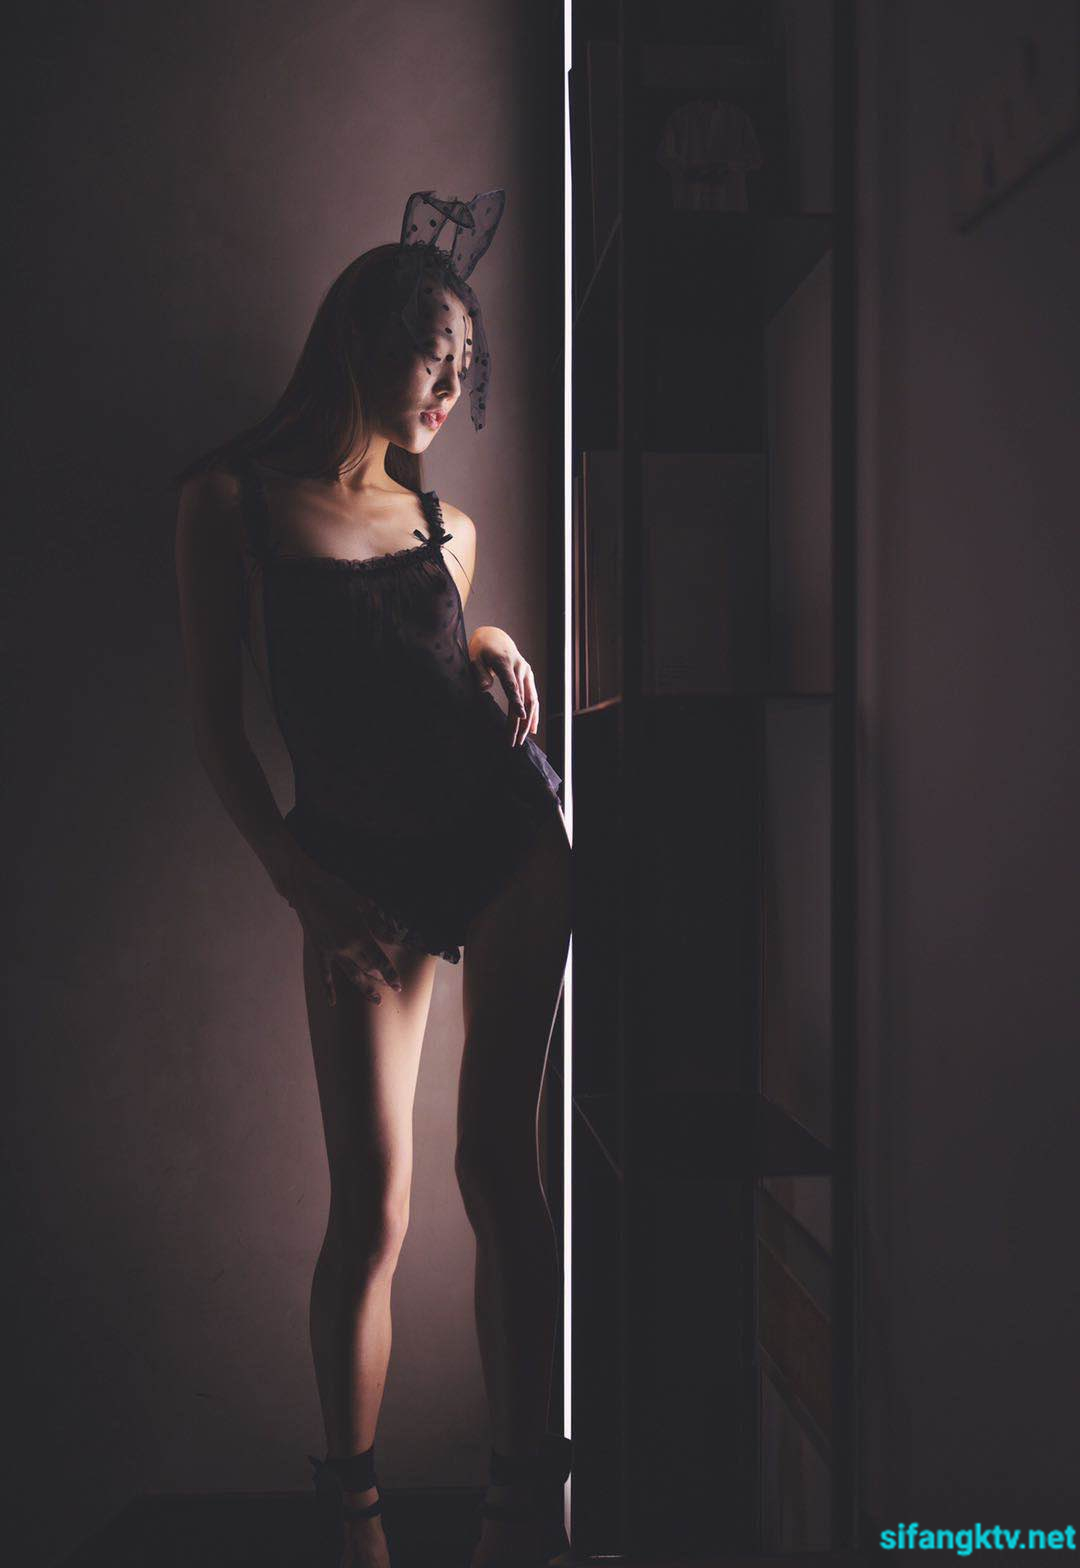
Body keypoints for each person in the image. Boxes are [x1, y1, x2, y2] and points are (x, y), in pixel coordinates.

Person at [173, 191, 572, 1568]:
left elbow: (435, 660)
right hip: (350, 861)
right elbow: (221, 733)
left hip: (505, 837)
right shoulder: (228, 504)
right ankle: (351, 1514)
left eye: (465, 369)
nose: (450, 391)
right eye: (431, 356)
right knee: (374, 1209)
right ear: (359, 336)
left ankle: (527, 1504)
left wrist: (491, 638)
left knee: (498, 1164)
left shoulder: (447, 526)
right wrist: (300, 879)